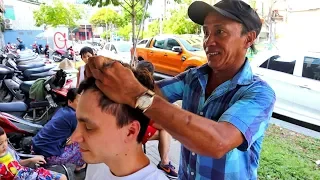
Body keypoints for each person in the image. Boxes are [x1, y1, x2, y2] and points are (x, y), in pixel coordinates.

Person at [84, 0, 276, 179]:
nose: (208, 42)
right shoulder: (194, 78)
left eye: (220, 32)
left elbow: (218, 142)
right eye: (206, 32)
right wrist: (109, 72)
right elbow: (148, 90)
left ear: (248, 38)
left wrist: (137, 95)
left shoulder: (259, 94)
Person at [71, 68, 168, 180]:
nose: (74, 137)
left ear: (130, 132)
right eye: (78, 123)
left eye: (89, 127)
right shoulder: (100, 162)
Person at [32, 88, 86, 173]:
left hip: (35, 148)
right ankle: (80, 166)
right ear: (70, 102)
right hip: (48, 156)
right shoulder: (73, 115)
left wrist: (72, 137)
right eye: (79, 102)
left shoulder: (62, 110)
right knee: (84, 144)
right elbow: (83, 132)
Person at [0, 126, 67, 180]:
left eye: (6, 141)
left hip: (26, 173)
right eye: (0, 143)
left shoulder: (8, 150)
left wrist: (31, 160)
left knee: (62, 177)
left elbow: (17, 163)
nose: (5, 145)